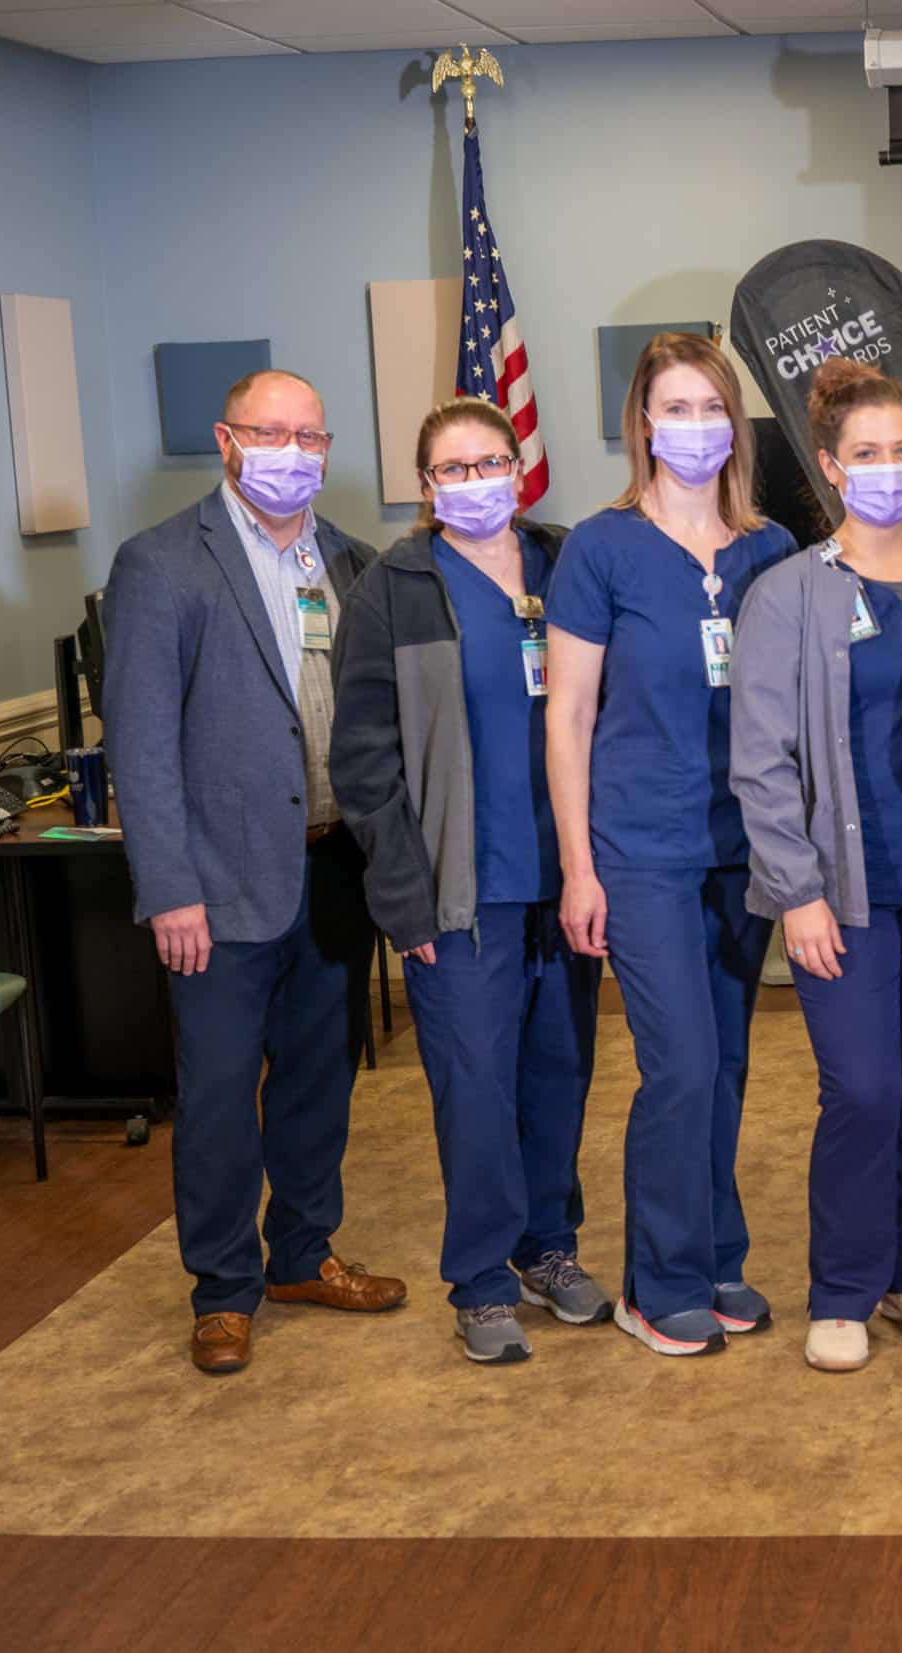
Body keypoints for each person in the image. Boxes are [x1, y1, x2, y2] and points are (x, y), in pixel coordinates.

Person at [102, 369, 406, 1376]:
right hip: (218, 887)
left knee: (320, 1084)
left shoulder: (354, 563)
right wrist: (168, 886)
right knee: (225, 1093)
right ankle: (223, 1287)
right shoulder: (161, 564)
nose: (293, 452)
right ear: (227, 441)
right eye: (272, 433)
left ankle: (304, 1254)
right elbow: (141, 745)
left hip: (332, 873)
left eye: (310, 436)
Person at [329, 397, 608, 1366]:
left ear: (519, 464)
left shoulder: (564, 560)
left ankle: (547, 1246)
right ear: (426, 484)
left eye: (492, 460)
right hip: (457, 893)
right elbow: (363, 763)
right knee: (477, 1088)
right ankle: (482, 1277)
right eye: (454, 468)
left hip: (562, 876)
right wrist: (404, 899)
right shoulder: (393, 587)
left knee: (558, 1074)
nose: (477, 480)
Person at [544, 333, 797, 1357]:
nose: (693, 424)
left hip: (741, 847)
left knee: (729, 1062)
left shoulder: (767, 550)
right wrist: (578, 866)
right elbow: (566, 714)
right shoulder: (600, 549)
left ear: (734, 423)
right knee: (680, 1065)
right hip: (638, 847)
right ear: (642, 423)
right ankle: (659, 1280)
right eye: (673, 406)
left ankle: (717, 1257)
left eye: (709, 406)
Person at [730, 359, 902, 1374]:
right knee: (864, 1090)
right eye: (867, 454)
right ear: (832, 467)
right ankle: (841, 1286)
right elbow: (759, 757)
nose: (889, 469)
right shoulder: (786, 592)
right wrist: (794, 891)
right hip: (840, 891)